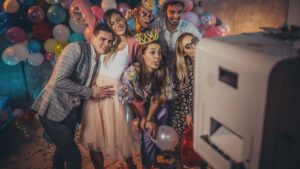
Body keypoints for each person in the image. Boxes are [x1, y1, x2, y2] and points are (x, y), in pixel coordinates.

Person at [31, 23, 115, 169]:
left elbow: (85, 81)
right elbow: (59, 81)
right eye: (103, 39)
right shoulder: (76, 48)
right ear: (93, 36)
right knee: (74, 158)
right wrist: (90, 92)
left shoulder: (97, 57)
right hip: (53, 111)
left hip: (70, 113)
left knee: (62, 150)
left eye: (110, 41)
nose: (107, 44)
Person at [79, 9, 138, 169]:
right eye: (112, 23)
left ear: (124, 19)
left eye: (119, 20)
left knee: (120, 135)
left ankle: (131, 166)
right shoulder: (107, 41)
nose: (117, 25)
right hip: (96, 91)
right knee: (94, 137)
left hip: (114, 94)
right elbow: (88, 15)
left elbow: (138, 68)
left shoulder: (134, 42)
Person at [118, 29, 174, 169]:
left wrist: (148, 119)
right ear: (142, 55)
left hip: (158, 104)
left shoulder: (163, 71)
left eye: (159, 52)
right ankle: (148, 164)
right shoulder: (132, 73)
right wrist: (142, 119)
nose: (157, 57)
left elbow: (158, 99)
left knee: (158, 124)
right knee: (148, 133)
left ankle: (160, 156)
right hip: (138, 106)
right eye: (152, 52)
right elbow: (128, 98)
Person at [151, 0, 202, 73]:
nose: (176, 16)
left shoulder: (190, 29)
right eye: (172, 12)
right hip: (159, 72)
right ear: (165, 11)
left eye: (179, 12)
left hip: (183, 72)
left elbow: (201, 48)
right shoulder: (155, 26)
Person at [172, 33, 199, 168]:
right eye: (188, 46)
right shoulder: (185, 66)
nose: (194, 46)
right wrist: (188, 113)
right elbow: (186, 93)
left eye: (194, 41)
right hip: (184, 109)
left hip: (201, 106)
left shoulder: (208, 58)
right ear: (184, 53)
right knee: (186, 146)